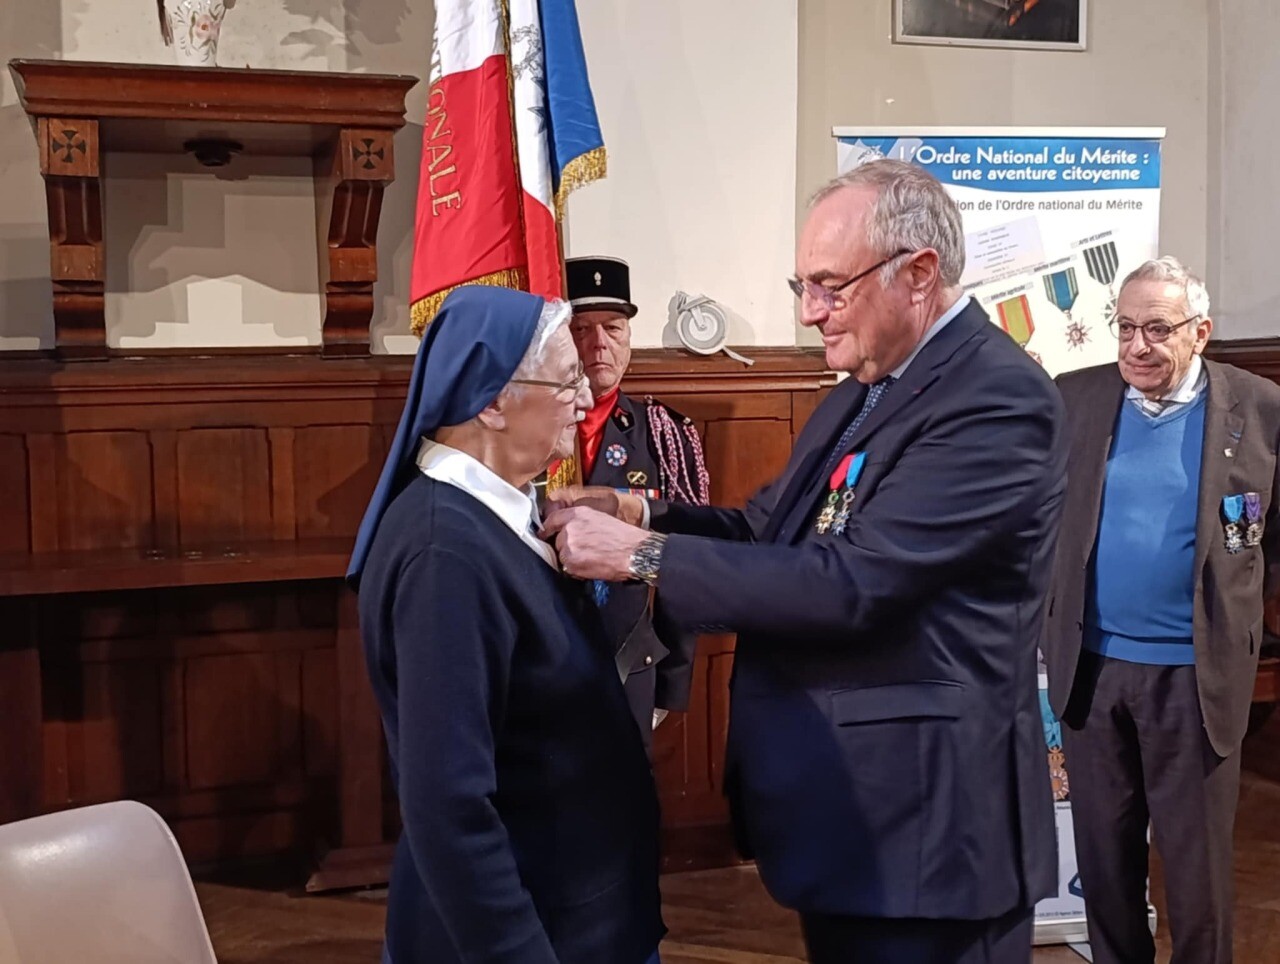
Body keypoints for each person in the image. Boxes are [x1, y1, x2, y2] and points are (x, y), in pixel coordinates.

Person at [543, 158, 1064, 964]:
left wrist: (639, 556)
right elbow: (770, 530)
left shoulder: (996, 400)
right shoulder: (868, 385)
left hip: (929, 836)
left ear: (918, 274)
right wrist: (640, 508)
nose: (811, 312)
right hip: (860, 826)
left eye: (830, 285)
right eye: (802, 287)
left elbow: (853, 585)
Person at [346, 286, 665, 964]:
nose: (583, 402)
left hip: (582, 909)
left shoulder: (504, 510)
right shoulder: (445, 554)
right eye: (565, 381)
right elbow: (450, 807)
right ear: (492, 401)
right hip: (527, 932)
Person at [1043, 257, 1280, 964]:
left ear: (1200, 332)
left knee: (1196, 870)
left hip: (1194, 679)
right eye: (1124, 328)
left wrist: (1238, 615)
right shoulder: (1076, 398)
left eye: (1157, 329)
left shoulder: (1260, 409)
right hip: (1093, 671)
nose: (1136, 347)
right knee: (1107, 865)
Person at [547, 255, 708, 750]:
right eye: (583, 329)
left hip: (629, 663)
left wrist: (672, 679)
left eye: (614, 328)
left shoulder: (664, 435)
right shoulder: (531, 431)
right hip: (541, 665)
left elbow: (689, 566)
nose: (600, 344)